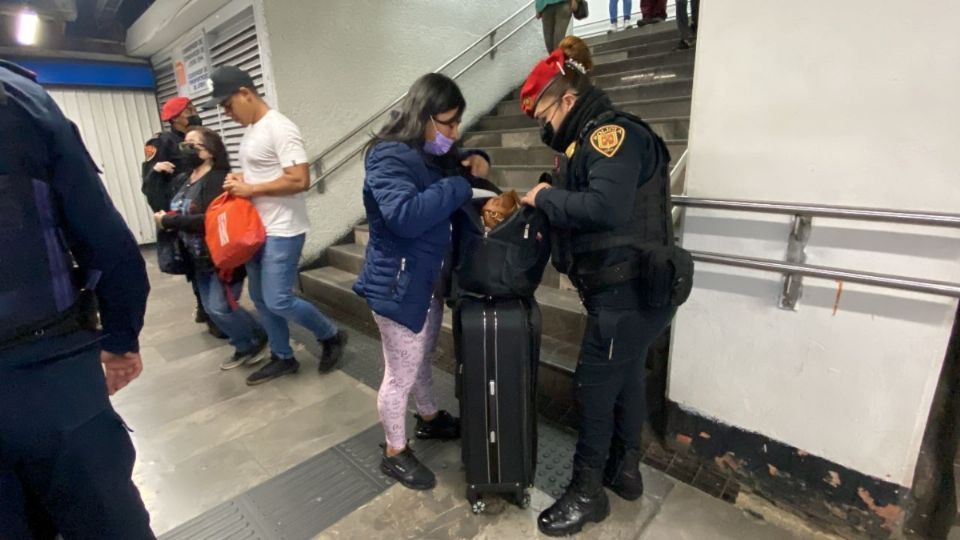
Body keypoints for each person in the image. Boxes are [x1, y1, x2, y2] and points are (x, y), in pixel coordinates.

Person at [518, 36, 680, 536]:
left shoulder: (611, 134)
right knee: (626, 379)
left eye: (543, 111)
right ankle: (625, 473)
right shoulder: (583, 141)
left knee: (592, 389)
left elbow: (605, 208)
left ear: (567, 98)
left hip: (628, 292)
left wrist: (546, 196)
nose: (541, 122)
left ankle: (588, 494)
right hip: (624, 290)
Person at [0, 60, 154, 539]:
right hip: (47, 373)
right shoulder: (20, 101)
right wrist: (121, 336)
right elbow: (105, 239)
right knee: (104, 521)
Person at [353, 73, 491, 490]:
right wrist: (458, 185)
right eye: (448, 122)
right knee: (400, 375)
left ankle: (429, 418)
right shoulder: (387, 157)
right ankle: (395, 452)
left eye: (457, 123)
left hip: (426, 283)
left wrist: (475, 159)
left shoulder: (429, 152)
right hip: (398, 286)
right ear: (424, 116)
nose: (454, 132)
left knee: (421, 360)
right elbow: (406, 215)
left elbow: (452, 163)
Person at [205, 65, 347, 386]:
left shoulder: (279, 127)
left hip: (283, 229)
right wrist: (242, 179)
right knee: (260, 298)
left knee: (279, 298)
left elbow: (300, 178)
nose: (227, 114)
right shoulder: (253, 130)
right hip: (258, 231)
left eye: (228, 105)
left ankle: (331, 334)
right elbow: (266, 173)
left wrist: (251, 188)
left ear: (246, 92)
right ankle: (282, 357)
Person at [152, 127, 268, 371]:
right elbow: (160, 201)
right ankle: (248, 341)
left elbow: (211, 220)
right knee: (210, 308)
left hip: (220, 257)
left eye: (193, 144)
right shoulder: (186, 178)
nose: (186, 148)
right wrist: (153, 174)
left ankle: (253, 340)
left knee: (220, 307)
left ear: (209, 151)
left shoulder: (218, 178)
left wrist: (170, 221)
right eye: (185, 143)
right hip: (196, 258)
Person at [142, 96, 225, 339]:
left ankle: (208, 308)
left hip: (201, 205)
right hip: (180, 211)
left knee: (205, 261)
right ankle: (208, 311)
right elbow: (150, 183)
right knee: (194, 263)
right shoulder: (161, 142)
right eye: (189, 110)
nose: (194, 112)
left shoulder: (200, 135)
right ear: (176, 116)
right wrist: (166, 216)